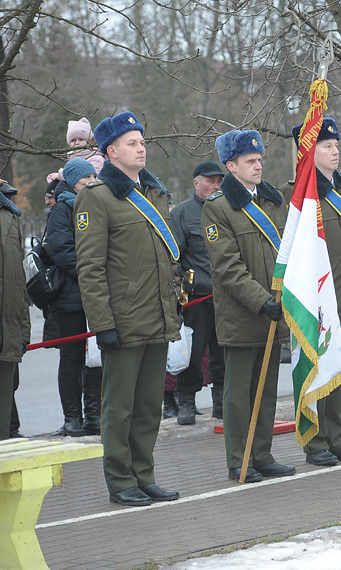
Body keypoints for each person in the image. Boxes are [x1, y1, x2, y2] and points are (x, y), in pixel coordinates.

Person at [74, 111, 181, 505]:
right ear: (111, 151)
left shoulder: (153, 194)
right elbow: (90, 267)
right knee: (119, 407)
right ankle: (121, 481)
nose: (141, 148)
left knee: (150, 405)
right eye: (132, 143)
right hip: (122, 319)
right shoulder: (96, 198)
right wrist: (102, 322)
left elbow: (166, 259)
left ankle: (143, 474)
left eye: (142, 142)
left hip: (157, 315)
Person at [202, 128, 295, 482]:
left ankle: (263, 454)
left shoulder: (270, 202)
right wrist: (262, 302)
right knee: (240, 394)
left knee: (266, 389)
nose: (258, 166)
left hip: (273, 311)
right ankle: (239, 460)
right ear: (231, 166)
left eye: (259, 160)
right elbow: (228, 268)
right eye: (250, 161)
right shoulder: (219, 208)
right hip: (243, 314)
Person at [286, 118, 341, 465]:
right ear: (309, 150)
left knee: (340, 370)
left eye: (336, 146)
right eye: (326, 146)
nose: (335, 151)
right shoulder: (300, 197)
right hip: (318, 300)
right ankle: (316, 442)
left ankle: (337, 437)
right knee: (317, 368)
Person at [46, 158, 101, 436]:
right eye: (84, 180)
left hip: (97, 293)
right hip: (71, 295)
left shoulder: (98, 204)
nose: (91, 183)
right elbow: (61, 249)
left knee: (96, 358)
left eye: (94, 178)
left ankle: (94, 415)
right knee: (72, 358)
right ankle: (72, 418)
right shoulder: (63, 208)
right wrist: (92, 272)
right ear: (71, 182)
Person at [169, 161, 226, 424]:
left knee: (223, 352)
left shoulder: (228, 210)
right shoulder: (182, 213)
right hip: (197, 298)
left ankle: (222, 403)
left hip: (226, 296)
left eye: (219, 181)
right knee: (192, 354)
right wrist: (182, 290)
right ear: (196, 183)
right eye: (210, 181)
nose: (216, 186)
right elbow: (175, 256)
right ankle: (187, 403)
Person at [1, 179, 30, 441]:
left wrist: (24, 329)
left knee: (10, 384)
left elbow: (18, 279)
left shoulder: (10, 218)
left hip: (8, 325)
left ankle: (9, 432)